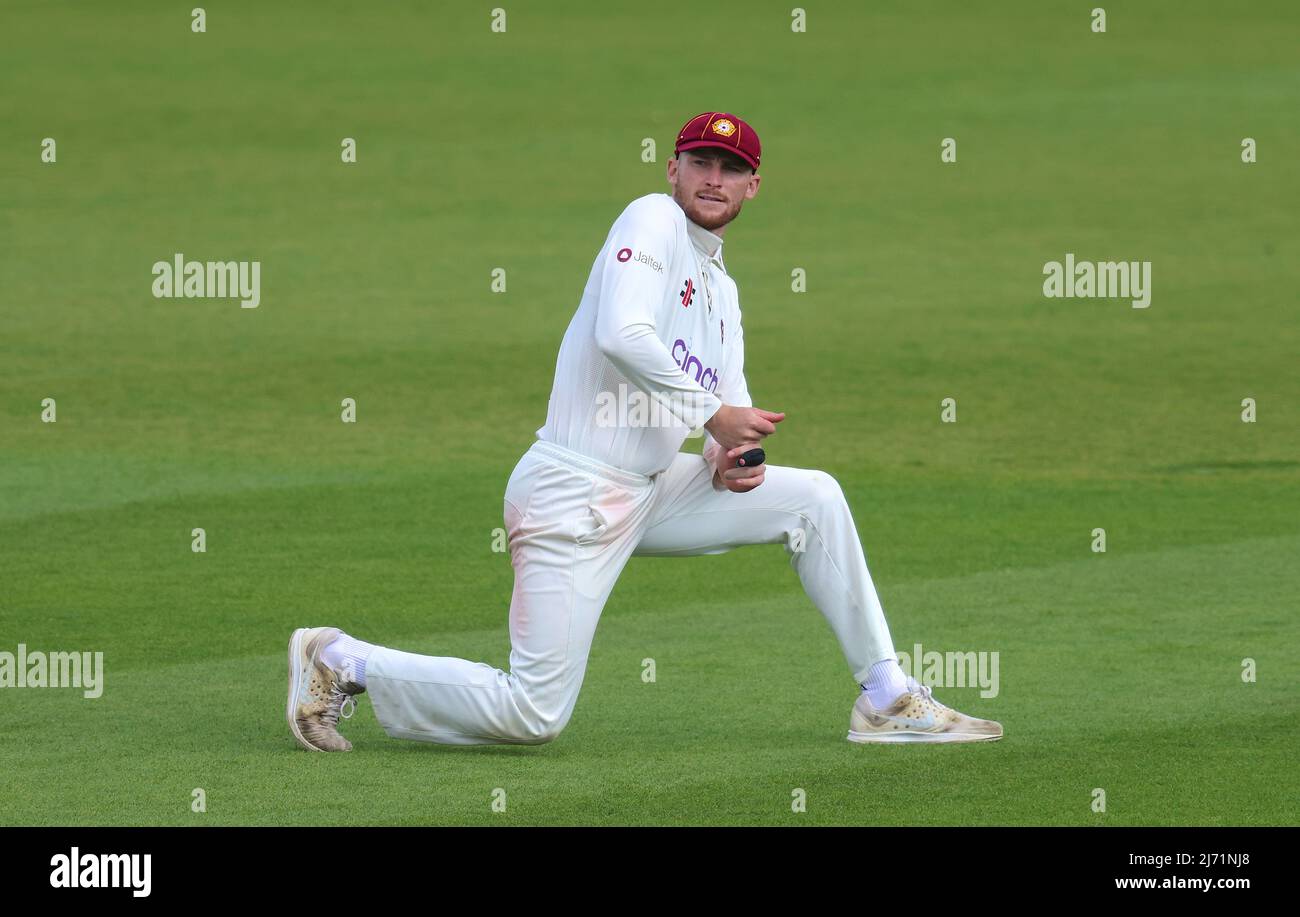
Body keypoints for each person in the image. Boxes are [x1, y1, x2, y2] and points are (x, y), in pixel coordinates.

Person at [286, 111, 1002, 752]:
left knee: (814, 499)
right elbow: (622, 333)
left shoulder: (723, 292)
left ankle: (886, 697)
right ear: (673, 170)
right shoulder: (651, 220)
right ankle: (339, 659)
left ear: (754, 187)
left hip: (654, 489)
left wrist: (732, 454)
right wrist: (711, 418)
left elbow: (731, 404)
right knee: (534, 714)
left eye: (732, 169)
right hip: (573, 492)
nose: (714, 178)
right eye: (701, 163)